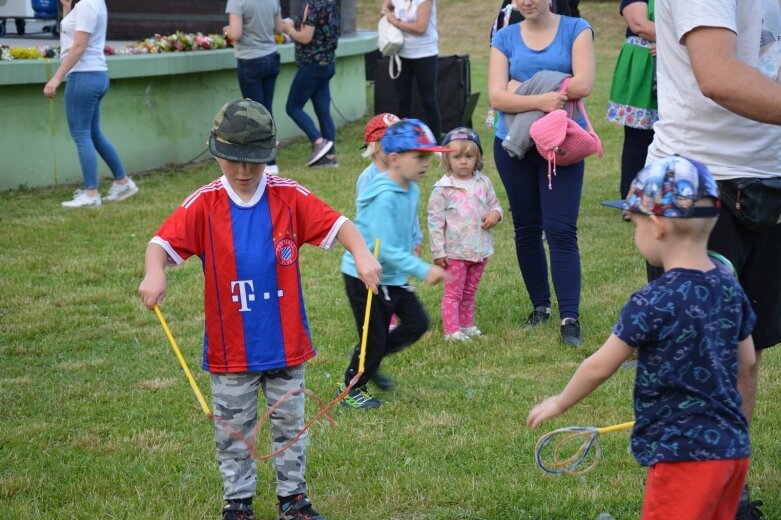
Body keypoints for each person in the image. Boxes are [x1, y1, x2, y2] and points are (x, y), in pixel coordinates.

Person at [138, 99, 382, 520]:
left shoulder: (288, 196)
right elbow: (160, 243)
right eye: (234, 160)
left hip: (285, 342)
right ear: (216, 152)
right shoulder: (205, 203)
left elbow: (337, 223)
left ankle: (294, 500)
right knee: (234, 431)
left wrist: (361, 254)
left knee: (291, 426)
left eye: (253, 161)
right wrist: (154, 272)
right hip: (231, 349)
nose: (244, 171)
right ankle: (237, 503)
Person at [528, 156, 757, 520]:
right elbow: (747, 362)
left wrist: (560, 403)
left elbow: (600, 366)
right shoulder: (730, 287)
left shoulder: (651, 301)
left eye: (633, 223)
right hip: (733, 449)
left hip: (684, 457)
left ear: (656, 226)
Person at [647, 2, 781, 516]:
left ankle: (731, 491)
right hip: (695, 187)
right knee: (702, 358)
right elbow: (718, 75)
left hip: (768, 179)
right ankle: (691, 500)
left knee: (748, 349)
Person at [488, 0, 595, 345]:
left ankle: (569, 320)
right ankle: (540, 307)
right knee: (526, 226)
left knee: (561, 230)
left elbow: (584, 85)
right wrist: (543, 98)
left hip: (562, 145)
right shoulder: (504, 37)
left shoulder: (576, 29)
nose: (527, 1)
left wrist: (522, 87)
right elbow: (496, 97)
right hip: (513, 145)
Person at [339, 119, 449, 409]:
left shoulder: (411, 188)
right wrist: (423, 269)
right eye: (419, 157)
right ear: (395, 158)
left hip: (394, 277)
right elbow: (383, 249)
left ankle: (370, 360)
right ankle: (350, 388)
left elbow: (406, 227)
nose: (425, 164)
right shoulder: (384, 196)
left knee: (417, 323)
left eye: (428, 157)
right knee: (372, 338)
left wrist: (414, 241)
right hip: (366, 276)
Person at [43, 0, 138, 208]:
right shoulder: (91, 3)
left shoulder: (87, 4)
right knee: (93, 134)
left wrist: (56, 78)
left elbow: (78, 46)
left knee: (81, 135)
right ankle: (123, 182)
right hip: (94, 75)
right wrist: (67, 7)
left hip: (84, 76)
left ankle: (91, 194)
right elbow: (71, 37)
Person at [427, 127, 502, 341]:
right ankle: (452, 330)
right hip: (455, 252)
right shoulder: (442, 189)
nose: (463, 162)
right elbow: (435, 223)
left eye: (469, 156)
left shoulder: (483, 183)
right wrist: (438, 251)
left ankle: (467, 324)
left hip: (480, 250)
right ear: (446, 159)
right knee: (453, 293)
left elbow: (495, 205)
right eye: (457, 157)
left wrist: (495, 214)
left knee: (470, 291)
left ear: (477, 157)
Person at [223, 0, 284, 175]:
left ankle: (266, 162)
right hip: (271, 58)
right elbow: (279, 29)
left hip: (250, 61)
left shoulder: (237, 2)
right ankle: (270, 161)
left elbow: (235, 33)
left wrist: (227, 30)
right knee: (266, 111)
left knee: (254, 114)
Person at [606, 0, 657, 199]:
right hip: (644, 63)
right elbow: (639, 25)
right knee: (639, 136)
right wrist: (681, 39)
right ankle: (631, 196)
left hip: (678, 62)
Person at [282, 0, 340, 167]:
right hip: (327, 64)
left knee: (293, 107)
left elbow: (306, 37)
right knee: (323, 112)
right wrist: (296, 22)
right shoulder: (330, 3)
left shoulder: (313, 5)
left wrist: (290, 29)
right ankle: (329, 157)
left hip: (312, 65)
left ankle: (318, 142)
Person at [381, 0, 442, 141]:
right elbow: (385, 7)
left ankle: (436, 141)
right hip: (401, 54)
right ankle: (404, 139)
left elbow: (421, 28)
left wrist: (395, 21)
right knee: (403, 100)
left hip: (425, 54)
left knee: (429, 100)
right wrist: (386, 13)